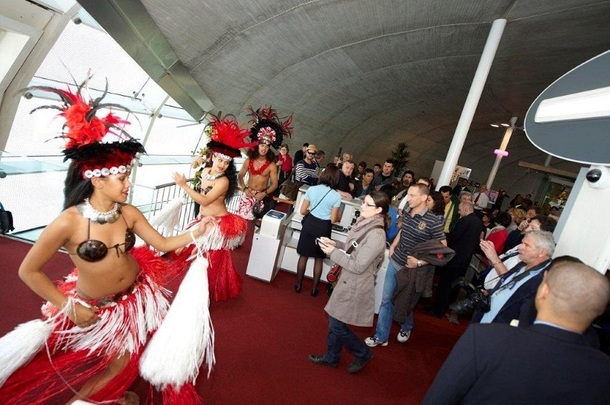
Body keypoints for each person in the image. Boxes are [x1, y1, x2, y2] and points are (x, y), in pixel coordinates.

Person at [0, 81, 214, 404]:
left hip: (136, 298)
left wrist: (198, 230)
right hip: (97, 310)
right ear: (98, 179)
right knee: (108, 367)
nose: (129, 183)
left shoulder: (128, 213)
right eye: (123, 177)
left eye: (128, 175)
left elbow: (165, 243)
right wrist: (67, 306)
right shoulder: (68, 222)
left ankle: (114, 397)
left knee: (123, 365)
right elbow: (28, 271)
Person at [423, 261, 610, 405]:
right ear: (600, 309)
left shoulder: (484, 338)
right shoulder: (604, 371)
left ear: (543, 291)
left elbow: (439, 399)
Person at [171, 114, 250, 301]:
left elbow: (205, 201)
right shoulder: (206, 171)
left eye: (226, 162)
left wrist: (183, 185)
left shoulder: (223, 182)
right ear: (213, 157)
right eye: (220, 160)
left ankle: (204, 290)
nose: (223, 165)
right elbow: (202, 175)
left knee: (208, 258)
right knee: (184, 250)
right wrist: (198, 161)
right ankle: (199, 287)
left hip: (217, 223)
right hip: (203, 219)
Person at [308, 192, 388, 373]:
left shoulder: (376, 234)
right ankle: (332, 357)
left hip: (356, 284)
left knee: (336, 323)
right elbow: (353, 248)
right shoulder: (367, 225)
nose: (362, 206)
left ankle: (362, 353)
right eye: (364, 203)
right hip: (349, 281)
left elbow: (359, 265)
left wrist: (332, 253)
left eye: (367, 204)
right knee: (336, 320)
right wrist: (335, 244)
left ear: (379, 210)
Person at [365, 183, 446, 347]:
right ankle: (381, 336)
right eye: (408, 195)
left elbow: (442, 249)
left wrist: (420, 262)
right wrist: (394, 245)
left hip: (412, 270)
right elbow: (404, 230)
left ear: (424, 197)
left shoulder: (433, 221)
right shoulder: (408, 212)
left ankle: (407, 326)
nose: (408, 199)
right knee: (386, 300)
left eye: (412, 196)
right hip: (396, 262)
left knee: (404, 303)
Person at [473, 230, 554, 324]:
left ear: (541, 252)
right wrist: (492, 293)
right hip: (483, 321)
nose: (520, 247)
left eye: (526, 245)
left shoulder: (543, 280)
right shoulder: (522, 265)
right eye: (522, 243)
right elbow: (509, 285)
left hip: (499, 332)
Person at [237, 105, 292, 219]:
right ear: (257, 145)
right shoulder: (248, 161)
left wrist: (264, 193)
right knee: (240, 222)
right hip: (247, 194)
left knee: (253, 223)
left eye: (267, 146)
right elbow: (240, 176)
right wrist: (245, 188)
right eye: (262, 145)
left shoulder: (271, 165)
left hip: (261, 196)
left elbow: (274, 184)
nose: (264, 148)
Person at [295, 164, 342, 296]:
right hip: (324, 227)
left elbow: (303, 211)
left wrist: (312, 211)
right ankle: (314, 288)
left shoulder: (312, 189)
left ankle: (299, 285)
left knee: (303, 255)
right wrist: (339, 216)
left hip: (310, 224)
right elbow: (333, 219)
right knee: (319, 259)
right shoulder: (336, 196)